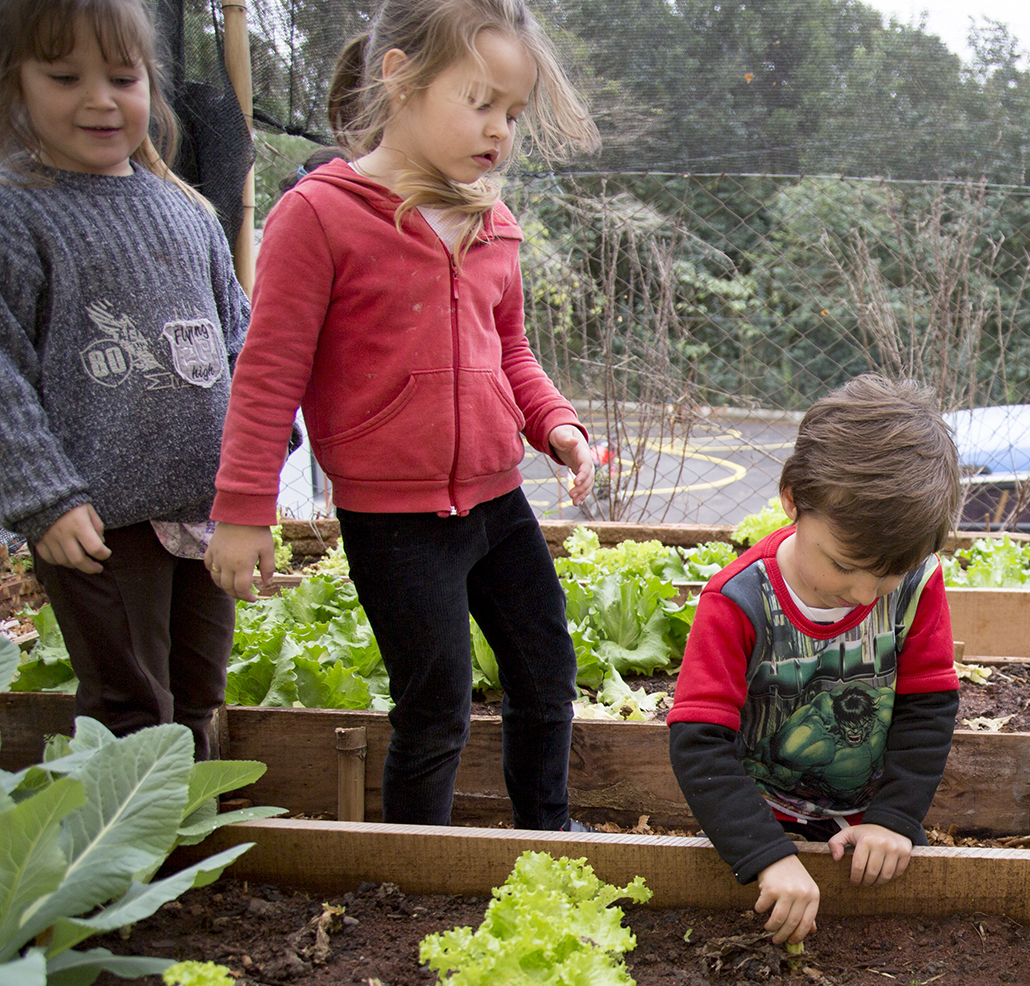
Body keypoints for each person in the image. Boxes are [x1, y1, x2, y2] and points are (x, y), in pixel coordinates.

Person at [205, 0, 601, 829]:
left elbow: (512, 350)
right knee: (436, 703)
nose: (500, 130)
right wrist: (244, 510)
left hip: (498, 503)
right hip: (395, 521)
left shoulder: (492, 221)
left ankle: (550, 831)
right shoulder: (318, 216)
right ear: (401, 79)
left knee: (546, 670)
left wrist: (555, 424)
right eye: (480, 101)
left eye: (514, 113)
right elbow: (269, 371)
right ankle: (417, 860)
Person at [0, 0, 249, 760]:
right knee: (132, 702)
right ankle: (132, 874)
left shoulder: (188, 210)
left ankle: (188, 864)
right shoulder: (18, 213)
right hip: (95, 520)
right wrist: (45, 497)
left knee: (199, 692)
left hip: (200, 508)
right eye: (65, 76)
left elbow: (240, 340)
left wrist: (253, 471)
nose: (100, 99)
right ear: (16, 88)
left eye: (122, 76)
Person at [668, 376, 962, 944]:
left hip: (865, 817)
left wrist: (894, 818)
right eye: (844, 565)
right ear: (792, 498)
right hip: (759, 813)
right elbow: (698, 740)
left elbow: (928, 709)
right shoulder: (738, 602)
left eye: (887, 574)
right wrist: (766, 855)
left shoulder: (920, 585)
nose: (863, 595)